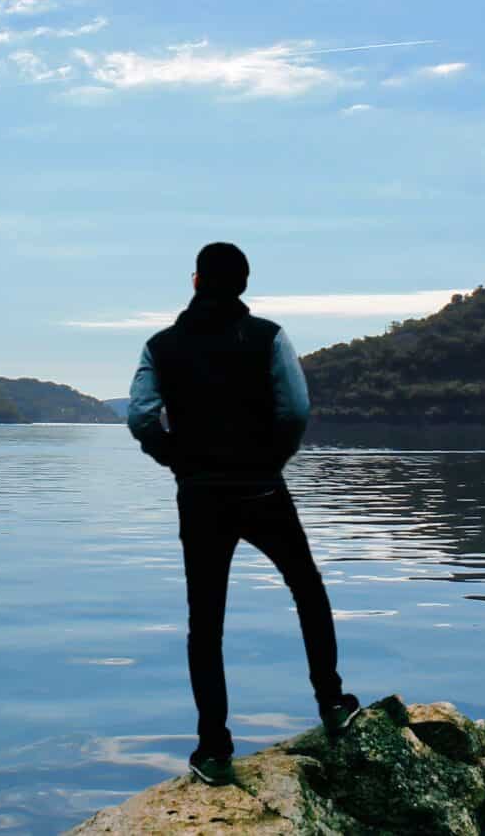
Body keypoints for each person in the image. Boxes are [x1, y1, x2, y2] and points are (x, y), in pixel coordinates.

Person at [127, 242, 360, 787]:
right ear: (244, 283)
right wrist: (270, 459)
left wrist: (176, 460)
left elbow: (140, 418)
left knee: (205, 622)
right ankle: (331, 702)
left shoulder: (162, 346)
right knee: (307, 587)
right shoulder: (268, 337)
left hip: (201, 496)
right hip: (261, 489)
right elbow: (296, 409)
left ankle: (213, 749)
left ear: (195, 282)